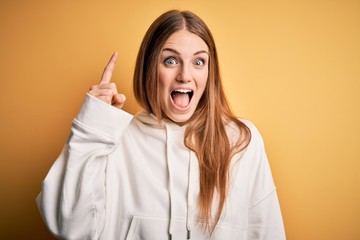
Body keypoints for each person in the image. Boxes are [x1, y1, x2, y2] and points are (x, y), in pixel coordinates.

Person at [36, 9, 286, 240]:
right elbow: (70, 225)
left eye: (198, 62)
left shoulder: (241, 141)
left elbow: (268, 232)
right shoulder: (115, 138)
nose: (185, 75)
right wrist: (93, 125)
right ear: (149, 68)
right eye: (170, 61)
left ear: (210, 73)